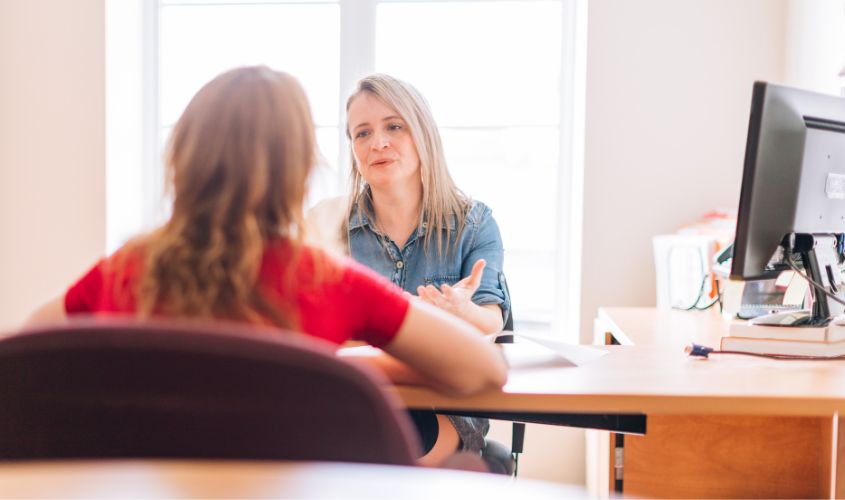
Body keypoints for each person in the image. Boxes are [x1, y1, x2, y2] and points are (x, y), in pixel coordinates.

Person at [25, 66, 507, 410]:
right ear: (298, 172)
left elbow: (22, 353)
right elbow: (487, 371)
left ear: (182, 162)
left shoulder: (126, 272)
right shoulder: (330, 282)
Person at [307, 74, 511, 469]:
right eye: (361, 134)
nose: (377, 143)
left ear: (422, 134)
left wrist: (461, 312)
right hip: (357, 398)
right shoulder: (325, 223)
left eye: (393, 126)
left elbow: (492, 324)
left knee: (389, 462)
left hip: (443, 405)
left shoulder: (474, 223)